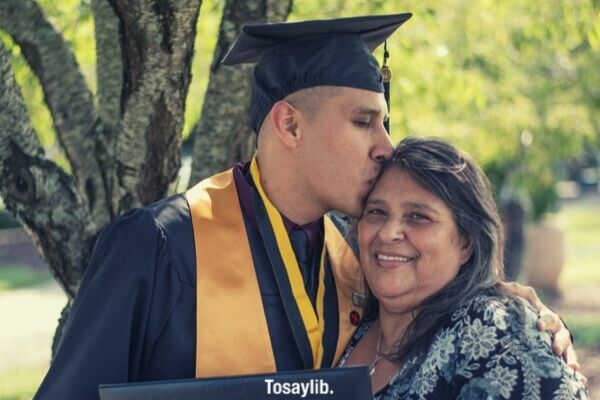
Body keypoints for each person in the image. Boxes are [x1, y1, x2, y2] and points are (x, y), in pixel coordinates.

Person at [34, 14, 576, 400]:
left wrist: (513, 306)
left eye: (383, 122)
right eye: (363, 121)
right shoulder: (157, 247)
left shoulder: (355, 263)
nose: (385, 144)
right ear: (289, 124)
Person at [338, 137, 588, 398]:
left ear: (466, 242)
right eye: (377, 212)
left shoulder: (497, 333)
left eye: (418, 217)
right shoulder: (347, 321)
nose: (388, 233)